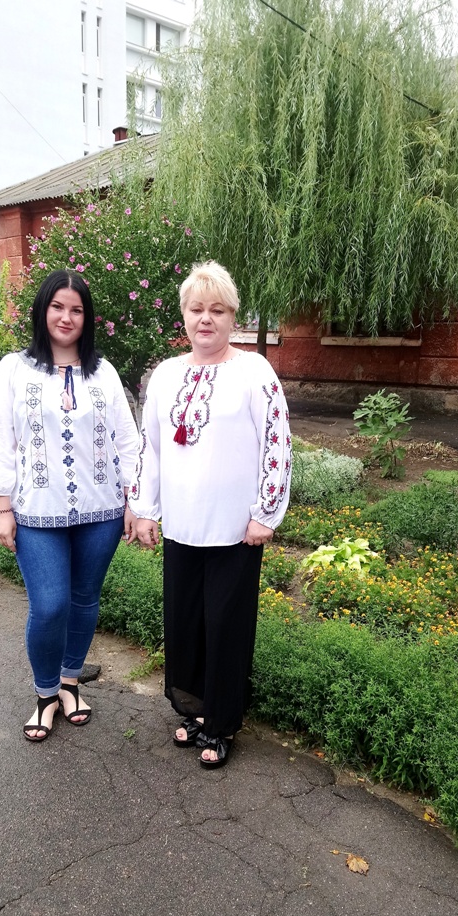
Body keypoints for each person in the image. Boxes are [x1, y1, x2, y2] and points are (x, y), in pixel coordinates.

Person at [128, 261, 292, 769]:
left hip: (234, 530)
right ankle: (195, 709)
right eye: (197, 309)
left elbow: (277, 444)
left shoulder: (254, 372)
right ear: (184, 315)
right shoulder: (166, 375)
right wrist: (144, 509)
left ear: (232, 317)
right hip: (182, 526)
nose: (206, 319)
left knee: (225, 626)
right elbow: (151, 446)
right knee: (187, 623)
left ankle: (221, 724)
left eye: (217, 310)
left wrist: (265, 513)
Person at [0, 269, 139, 742]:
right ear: (42, 310)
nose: (66, 317)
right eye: (57, 306)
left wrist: (135, 500)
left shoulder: (103, 372)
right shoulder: (14, 369)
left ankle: (70, 682)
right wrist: (2, 507)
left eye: (76, 309)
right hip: (36, 511)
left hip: (101, 511)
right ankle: (45, 693)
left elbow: (127, 440)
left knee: (85, 599)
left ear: (87, 318)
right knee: (49, 605)